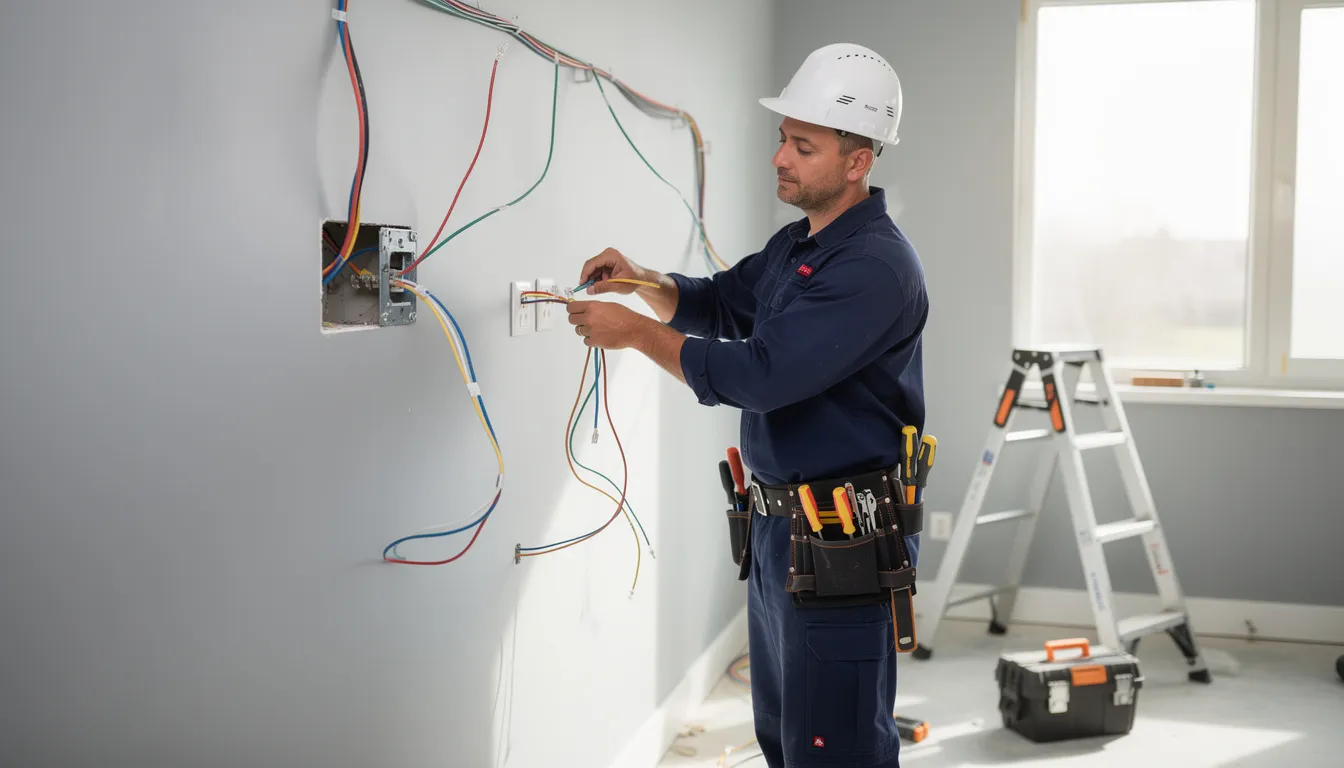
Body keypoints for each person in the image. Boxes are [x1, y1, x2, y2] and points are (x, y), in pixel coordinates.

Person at [568, 43, 927, 768]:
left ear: (858, 162)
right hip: (778, 538)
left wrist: (636, 335)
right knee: (786, 741)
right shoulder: (802, 243)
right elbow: (726, 304)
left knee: (836, 750)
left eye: (803, 145)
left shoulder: (875, 269)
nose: (780, 159)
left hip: (841, 545)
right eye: (782, 140)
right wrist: (644, 282)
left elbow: (760, 374)